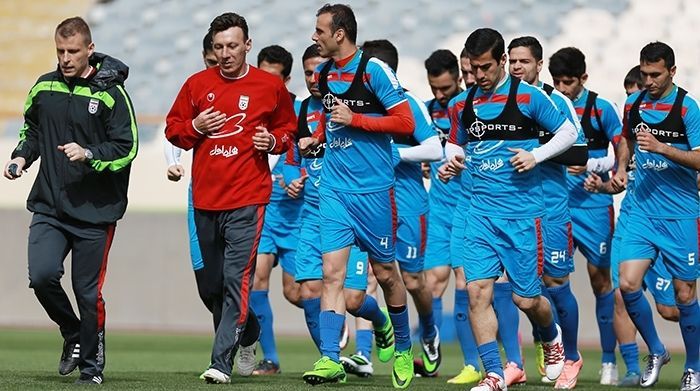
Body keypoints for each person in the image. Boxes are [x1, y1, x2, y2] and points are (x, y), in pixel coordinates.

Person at [3, 16, 138, 385]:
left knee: (86, 291)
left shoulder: (112, 94)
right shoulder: (44, 87)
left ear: (89, 50)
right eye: (60, 51)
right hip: (49, 204)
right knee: (42, 276)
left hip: (95, 212)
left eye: (73, 51)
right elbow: (32, 129)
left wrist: (90, 153)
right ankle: (72, 333)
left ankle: (92, 367)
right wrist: (20, 157)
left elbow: (127, 149)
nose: (65, 58)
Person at [165, 12, 297, 384]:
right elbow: (174, 130)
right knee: (211, 285)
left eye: (232, 46)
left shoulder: (268, 87)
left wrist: (273, 141)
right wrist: (195, 127)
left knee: (237, 279)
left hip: (248, 199)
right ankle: (249, 332)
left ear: (247, 46)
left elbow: (288, 129)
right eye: (219, 47)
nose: (225, 53)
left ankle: (220, 362)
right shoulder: (196, 85)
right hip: (206, 200)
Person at [442, 28, 577, 391]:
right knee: (477, 293)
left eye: (486, 67)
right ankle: (494, 374)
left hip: (521, 216)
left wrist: (536, 155)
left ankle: (550, 336)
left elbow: (567, 134)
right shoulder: (463, 103)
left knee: (527, 299)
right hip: (479, 214)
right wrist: (451, 162)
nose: (479, 75)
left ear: (502, 61)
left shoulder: (530, 99)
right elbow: (455, 145)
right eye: (474, 68)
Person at [299, 4, 416, 388]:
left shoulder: (374, 70)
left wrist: (357, 120)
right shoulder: (325, 73)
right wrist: (317, 140)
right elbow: (338, 127)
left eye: (320, 31)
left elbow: (405, 123)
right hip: (334, 190)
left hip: (375, 192)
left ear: (340, 33)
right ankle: (330, 359)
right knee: (332, 274)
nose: (314, 36)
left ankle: (403, 347)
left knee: (386, 274)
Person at [282, 43, 378, 378]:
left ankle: (378, 324)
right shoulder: (301, 110)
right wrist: (293, 178)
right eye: (308, 71)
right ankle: (331, 358)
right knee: (307, 288)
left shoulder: (355, 105)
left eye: (318, 70)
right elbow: (293, 160)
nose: (313, 78)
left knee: (353, 298)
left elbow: (381, 152)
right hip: (312, 213)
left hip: (350, 209)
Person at [583, 65, 679, 387]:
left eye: (635, 95)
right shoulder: (630, 140)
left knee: (671, 309)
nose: (632, 104)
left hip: (665, 226)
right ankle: (632, 369)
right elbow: (621, 182)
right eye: (628, 97)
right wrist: (602, 186)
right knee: (620, 297)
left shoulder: (672, 128)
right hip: (631, 225)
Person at [611, 42, 700, 391]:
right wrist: (621, 166)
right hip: (642, 212)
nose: (648, 80)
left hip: (680, 215)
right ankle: (657, 350)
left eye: (655, 74)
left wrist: (663, 148)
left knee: (683, 294)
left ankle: (693, 366)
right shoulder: (634, 104)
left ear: (672, 72)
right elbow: (626, 142)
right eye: (644, 73)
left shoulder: (687, 108)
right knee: (628, 284)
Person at [507, 36, 589, 389]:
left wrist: (537, 150)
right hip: (511, 209)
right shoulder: (502, 101)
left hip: (551, 209)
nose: (516, 68)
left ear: (539, 65)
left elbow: (580, 153)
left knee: (555, 285)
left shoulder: (557, 102)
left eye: (523, 61)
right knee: (506, 288)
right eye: (512, 61)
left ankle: (570, 355)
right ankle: (518, 358)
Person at [362, 38, 443, 376]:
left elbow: (434, 149)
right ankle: (364, 355)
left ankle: (428, 328)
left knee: (412, 281)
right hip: (371, 204)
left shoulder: (407, 104)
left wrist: (397, 154)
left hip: (409, 204)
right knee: (367, 280)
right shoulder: (360, 107)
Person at [548, 46, 623, 385]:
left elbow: (622, 146)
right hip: (556, 205)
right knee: (553, 281)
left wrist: (599, 166)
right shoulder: (545, 104)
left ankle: (609, 360)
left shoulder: (600, 108)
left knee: (600, 281)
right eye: (557, 82)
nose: (562, 89)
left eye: (568, 82)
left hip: (593, 208)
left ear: (584, 78)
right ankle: (560, 356)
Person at [421, 49, 481, 384]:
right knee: (432, 283)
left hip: (469, 206)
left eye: (446, 88)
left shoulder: (471, 108)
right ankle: (432, 342)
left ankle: (472, 363)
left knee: (464, 282)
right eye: (435, 89)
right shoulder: (429, 112)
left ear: (459, 78)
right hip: (439, 207)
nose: (441, 95)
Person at [249, 43, 303, 376]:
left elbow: (312, 156)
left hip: (296, 216)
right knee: (257, 280)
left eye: (275, 79)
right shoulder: (247, 110)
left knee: (297, 291)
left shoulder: (299, 112)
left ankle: (335, 319)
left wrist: (299, 180)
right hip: (262, 214)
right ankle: (270, 358)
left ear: (286, 80)